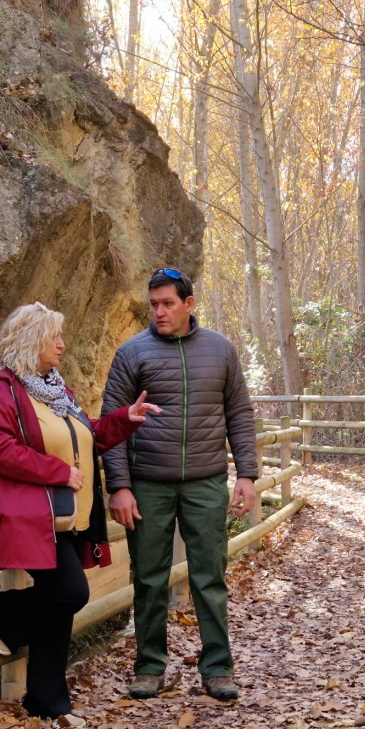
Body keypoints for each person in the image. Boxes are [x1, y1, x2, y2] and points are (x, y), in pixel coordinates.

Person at [0, 302, 160, 719]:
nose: (62, 344)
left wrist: (125, 419)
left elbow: (84, 435)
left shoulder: (54, 389)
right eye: (55, 337)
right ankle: (1, 612)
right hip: (32, 517)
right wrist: (56, 471)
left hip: (68, 516)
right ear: (31, 339)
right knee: (71, 593)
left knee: (60, 604)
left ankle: (47, 703)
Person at [101, 268, 258, 701]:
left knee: (210, 577)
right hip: (148, 483)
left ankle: (218, 668)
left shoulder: (220, 351)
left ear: (189, 304)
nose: (159, 311)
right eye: (153, 304)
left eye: (168, 303)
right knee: (149, 579)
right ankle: (149, 668)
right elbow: (111, 426)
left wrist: (246, 475)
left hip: (206, 482)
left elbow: (240, 415)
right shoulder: (131, 354)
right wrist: (119, 485)